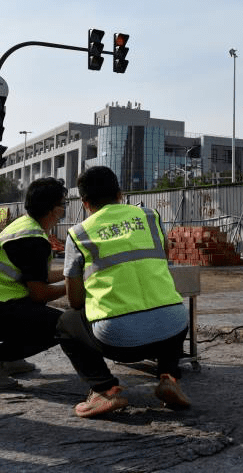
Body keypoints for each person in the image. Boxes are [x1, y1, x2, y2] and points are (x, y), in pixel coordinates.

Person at [56, 166, 191, 418]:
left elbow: (74, 300)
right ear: (121, 194)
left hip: (119, 342)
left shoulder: (78, 234)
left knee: (66, 322)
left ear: (85, 203)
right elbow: (162, 257)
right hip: (173, 329)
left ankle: (105, 391)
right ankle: (169, 377)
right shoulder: (151, 217)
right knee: (169, 310)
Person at [0, 177, 68, 390]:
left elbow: (36, 276)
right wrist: (73, 285)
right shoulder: (33, 239)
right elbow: (39, 293)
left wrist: (71, 272)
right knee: (64, 326)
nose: (64, 210)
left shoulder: (25, 226)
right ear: (53, 209)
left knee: (38, 312)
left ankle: (10, 359)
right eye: (63, 204)